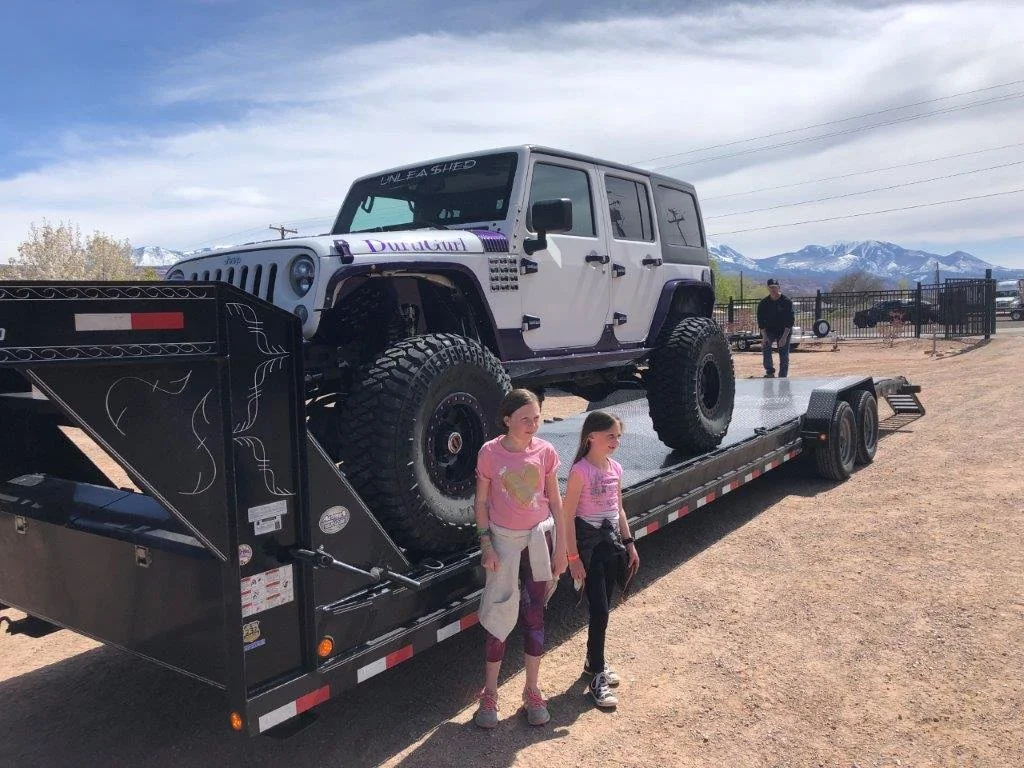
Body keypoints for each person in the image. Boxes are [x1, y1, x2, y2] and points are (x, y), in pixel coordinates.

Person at [473, 389, 568, 729]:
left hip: (538, 541)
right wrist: (486, 546)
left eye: (537, 418)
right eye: (525, 418)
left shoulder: (545, 452)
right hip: (504, 543)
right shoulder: (489, 453)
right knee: (499, 617)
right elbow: (481, 503)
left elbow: (556, 502)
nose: (533, 424)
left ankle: (532, 690)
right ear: (507, 419)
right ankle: (490, 693)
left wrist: (561, 548)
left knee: (534, 616)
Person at [563, 411, 640, 709]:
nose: (615, 441)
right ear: (590, 437)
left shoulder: (616, 469)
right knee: (599, 611)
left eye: (618, 436)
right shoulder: (580, 472)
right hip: (589, 550)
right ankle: (597, 675)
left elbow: (618, 509)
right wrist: (573, 558)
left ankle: (593, 662)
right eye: (610, 436)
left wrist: (630, 543)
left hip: (611, 546)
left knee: (605, 606)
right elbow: (568, 516)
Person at [756, 278, 795, 378]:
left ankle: (782, 376)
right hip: (770, 330)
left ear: (779, 288)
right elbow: (760, 321)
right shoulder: (763, 303)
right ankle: (769, 371)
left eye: (775, 287)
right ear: (768, 288)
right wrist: (764, 337)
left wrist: (784, 338)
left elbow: (790, 321)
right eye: (771, 288)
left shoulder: (787, 302)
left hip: (784, 330)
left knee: (783, 353)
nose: (773, 290)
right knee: (766, 346)